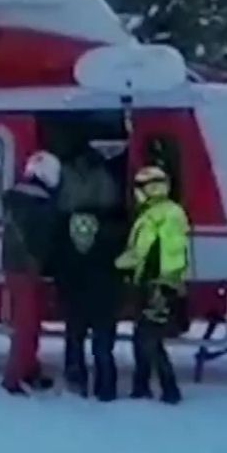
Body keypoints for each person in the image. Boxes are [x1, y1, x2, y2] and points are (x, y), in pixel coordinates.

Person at [51, 143, 125, 400]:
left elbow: (61, 265)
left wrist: (61, 288)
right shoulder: (112, 233)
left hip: (77, 295)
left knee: (75, 340)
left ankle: (77, 384)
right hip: (104, 296)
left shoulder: (64, 235)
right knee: (102, 346)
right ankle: (106, 389)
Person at [115, 165, 190, 405]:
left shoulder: (152, 216)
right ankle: (143, 386)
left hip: (154, 285)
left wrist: (115, 264)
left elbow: (140, 252)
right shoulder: (173, 212)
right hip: (166, 283)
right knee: (147, 337)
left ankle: (166, 389)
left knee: (148, 339)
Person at [0, 150, 62, 396]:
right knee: (26, 326)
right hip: (26, 268)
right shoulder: (38, 204)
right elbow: (44, 240)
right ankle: (13, 378)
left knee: (30, 323)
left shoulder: (16, 199)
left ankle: (29, 368)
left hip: (16, 267)